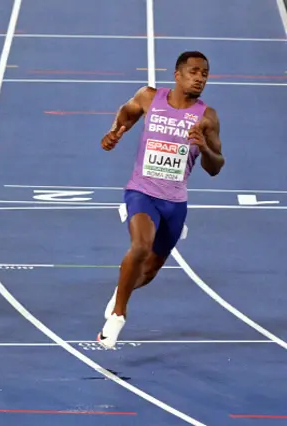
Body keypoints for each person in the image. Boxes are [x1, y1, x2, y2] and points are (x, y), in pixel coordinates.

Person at [97, 51, 224, 349]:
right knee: (140, 246)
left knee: (150, 270)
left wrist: (204, 148)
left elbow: (216, 167)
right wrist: (116, 132)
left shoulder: (207, 117)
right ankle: (117, 315)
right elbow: (127, 112)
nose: (200, 78)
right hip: (141, 192)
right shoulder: (149, 97)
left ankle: (121, 292)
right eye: (194, 71)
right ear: (177, 75)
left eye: (204, 73)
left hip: (175, 202)